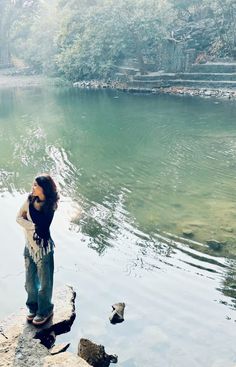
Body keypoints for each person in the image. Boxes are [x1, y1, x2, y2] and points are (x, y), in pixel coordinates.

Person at [16, 174, 59, 326]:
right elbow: (18, 218)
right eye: (33, 184)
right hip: (29, 246)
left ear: (44, 188)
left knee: (45, 284)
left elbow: (43, 224)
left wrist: (28, 223)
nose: (32, 187)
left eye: (35, 185)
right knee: (29, 282)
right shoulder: (29, 200)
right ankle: (33, 308)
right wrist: (32, 226)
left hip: (43, 249)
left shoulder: (51, 204)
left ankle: (45, 310)